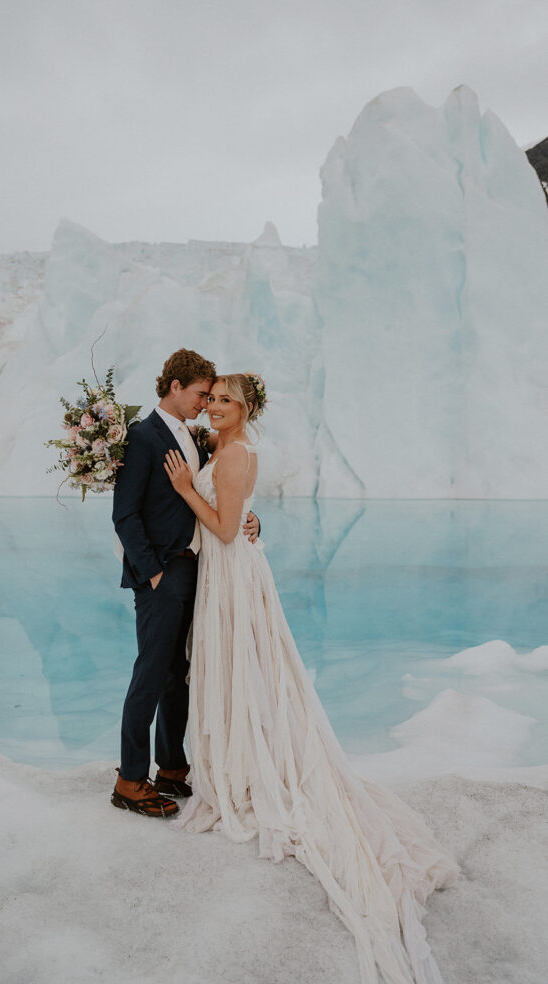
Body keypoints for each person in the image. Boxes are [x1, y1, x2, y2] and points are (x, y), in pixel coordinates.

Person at [163, 372, 459, 984]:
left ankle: (252, 768)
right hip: (223, 572)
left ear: (246, 410)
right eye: (211, 398)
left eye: (225, 401)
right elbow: (238, 515)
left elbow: (222, 526)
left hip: (233, 574)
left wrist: (186, 490)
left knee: (250, 672)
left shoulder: (239, 450)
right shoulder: (218, 445)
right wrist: (238, 512)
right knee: (230, 671)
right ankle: (236, 759)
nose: (214, 407)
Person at [111, 350, 260, 817]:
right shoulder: (144, 437)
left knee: (180, 675)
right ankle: (130, 780)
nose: (205, 404)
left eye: (213, 397)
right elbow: (125, 514)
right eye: (201, 394)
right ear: (175, 387)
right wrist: (152, 572)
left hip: (196, 568)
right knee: (151, 674)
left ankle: (171, 769)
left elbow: (223, 499)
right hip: (162, 573)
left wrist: (251, 521)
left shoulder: (197, 438)